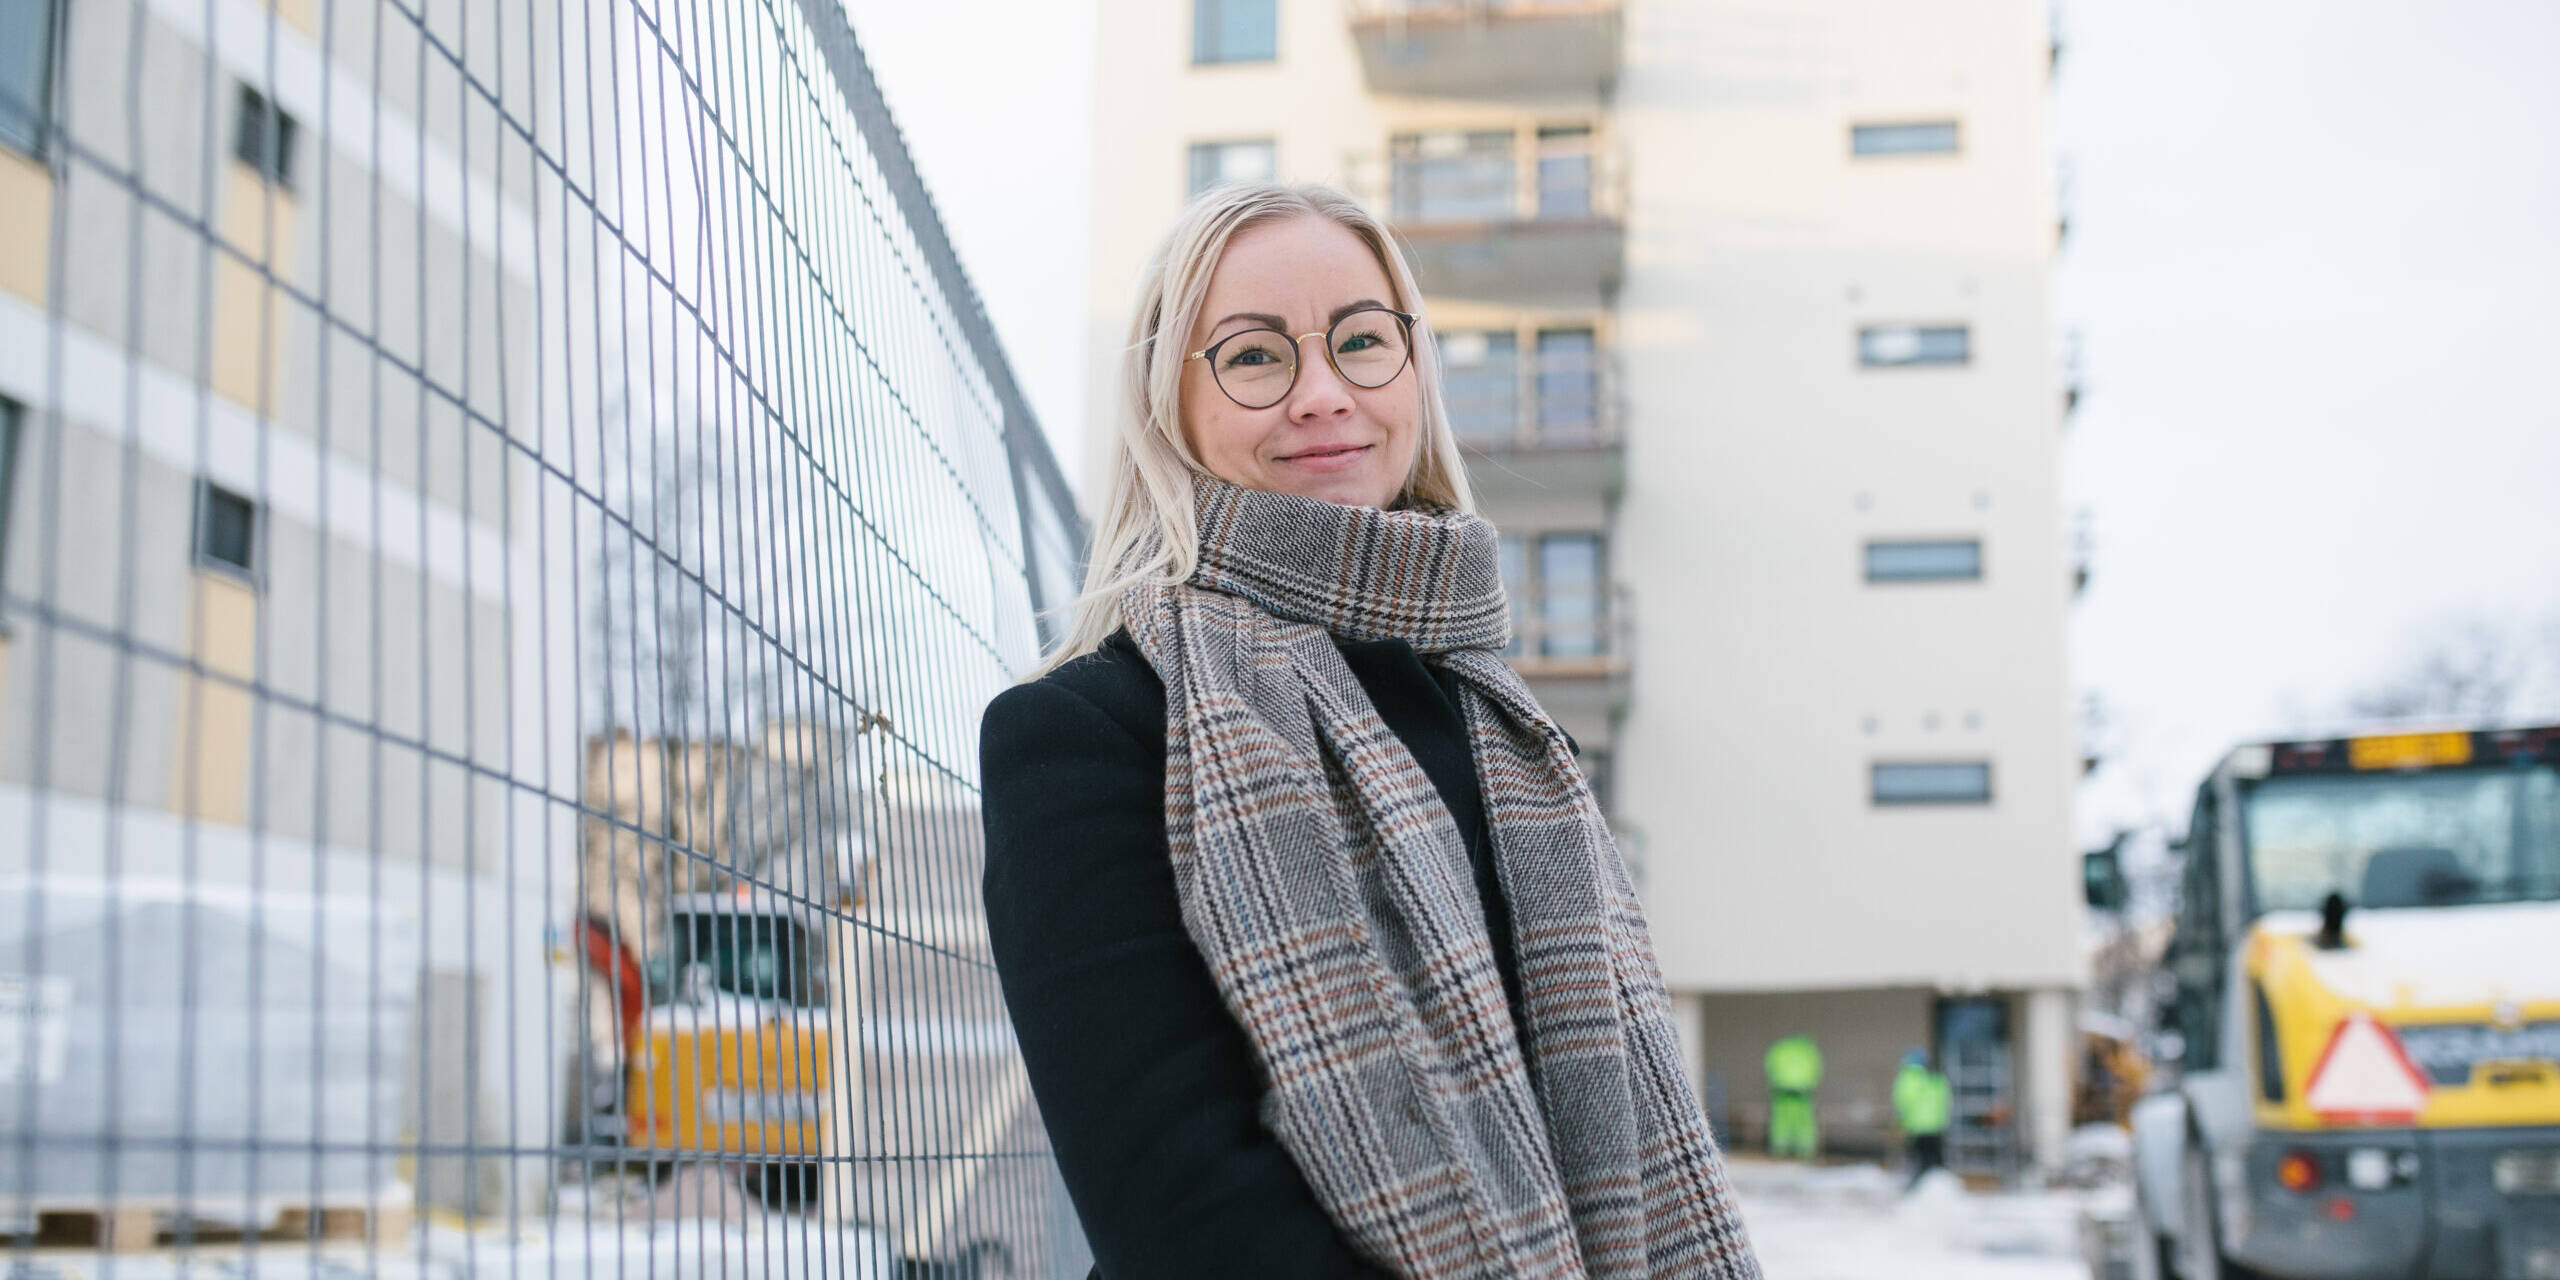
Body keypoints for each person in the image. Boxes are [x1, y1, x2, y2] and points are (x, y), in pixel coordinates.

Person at [978, 182, 1762, 1279]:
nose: (1321, 393)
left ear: (1413, 370)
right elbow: (1177, 1207)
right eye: (1254, 357)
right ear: (1168, 406)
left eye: (1360, 341)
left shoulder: (1504, 727)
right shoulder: (1085, 733)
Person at [1892, 1047, 1952, 1189]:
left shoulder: (1908, 1078)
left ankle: (1919, 1187)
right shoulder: (1935, 1078)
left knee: (1917, 1158)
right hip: (1936, 1125)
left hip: (1916, 1125)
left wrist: (1899, 1121)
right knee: (1935, 1159)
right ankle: (1938, 1188)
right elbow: (1946, 1100)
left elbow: (1902, 1102)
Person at [1763, 1034, 1823, 1160]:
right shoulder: (1805, 1050)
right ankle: (1784, 1152)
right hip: (1788, 1095)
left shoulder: (1784, 1050)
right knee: (1785, 1125)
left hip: (1797, 1095)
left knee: (1798, 1125)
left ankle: (1798, 1152)